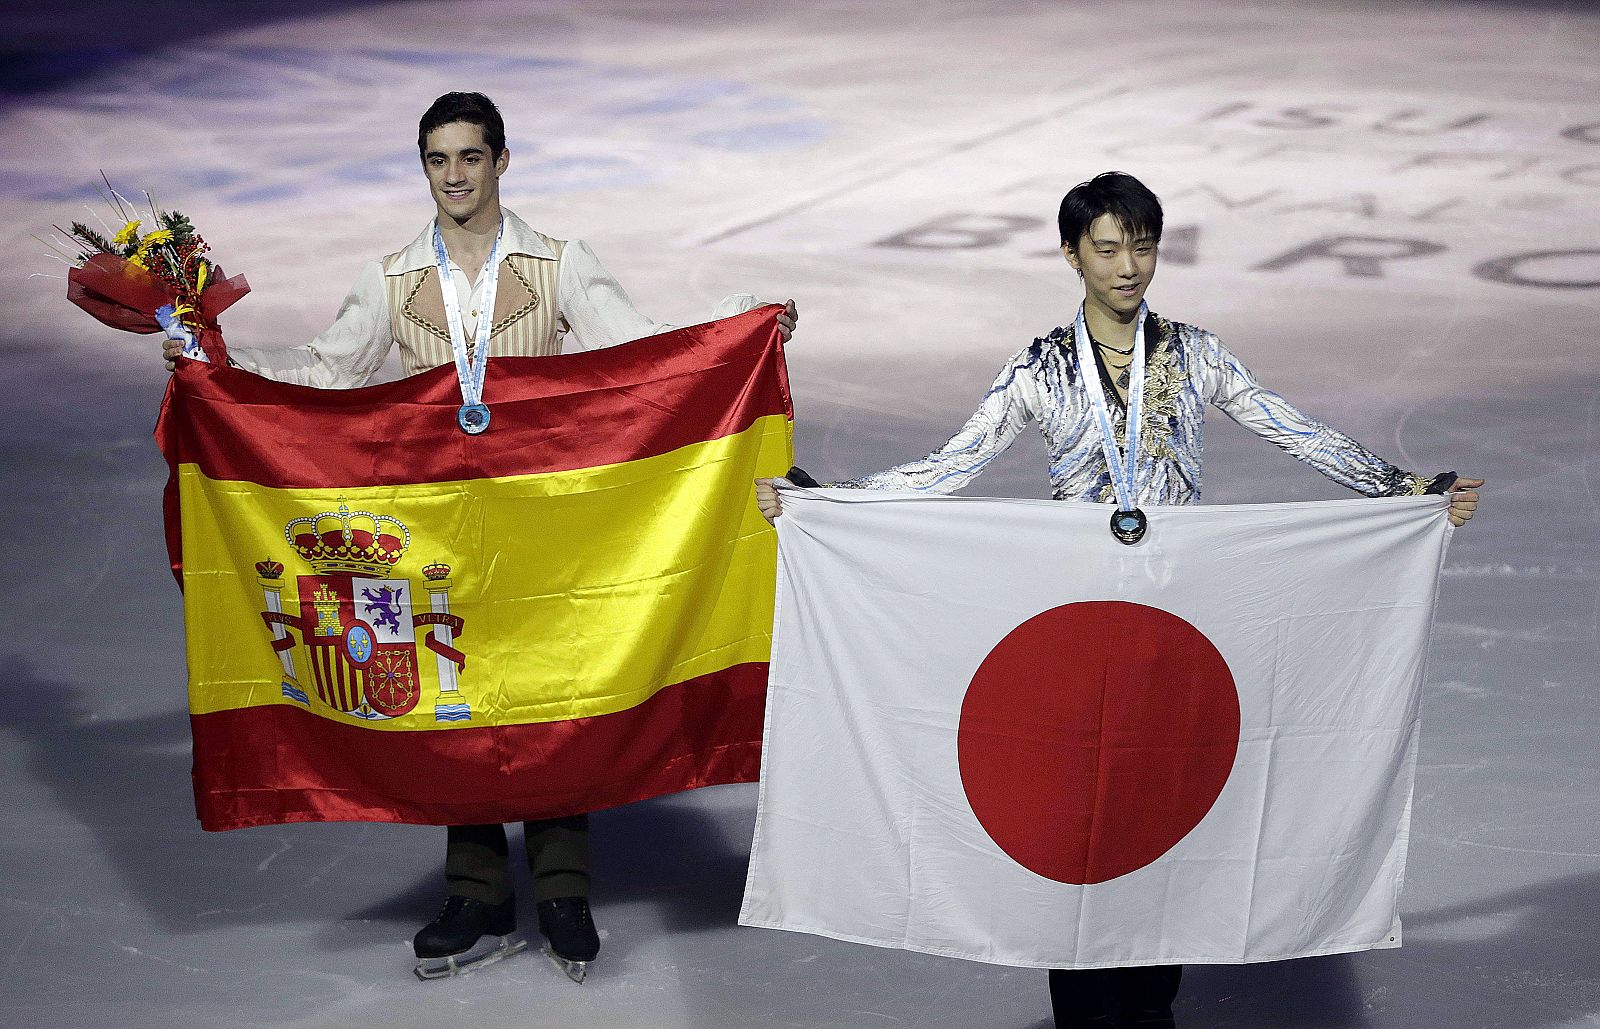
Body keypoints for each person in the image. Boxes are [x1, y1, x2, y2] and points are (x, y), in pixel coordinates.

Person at [756, 170, 1477, 1029]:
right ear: (1071, 255)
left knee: (1160, 822)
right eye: (1107, 247)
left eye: (1141, 245)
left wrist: (1402, 489)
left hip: (1175, 628)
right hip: (1075, 631)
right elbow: (950, 467)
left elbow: (1294, 429)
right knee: (1075, 835)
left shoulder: (1196, 353)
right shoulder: (1042, 366)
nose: (1128, 265)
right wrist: (827, 503)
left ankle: (1152, 1007)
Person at [163, 91, 797, 982]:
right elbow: (324, 373)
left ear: (503, 161)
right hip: (435, 530)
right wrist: (215, 369)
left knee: (554, 683)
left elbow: (646, 349)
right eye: (437, 160)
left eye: (469, 157)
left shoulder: (558, 263)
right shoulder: (390, 279)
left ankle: (565, 886)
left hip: (545, 524)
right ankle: (477, 889)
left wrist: (744, 322)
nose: (453, 176)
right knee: (449, 694)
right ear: (423, 167)